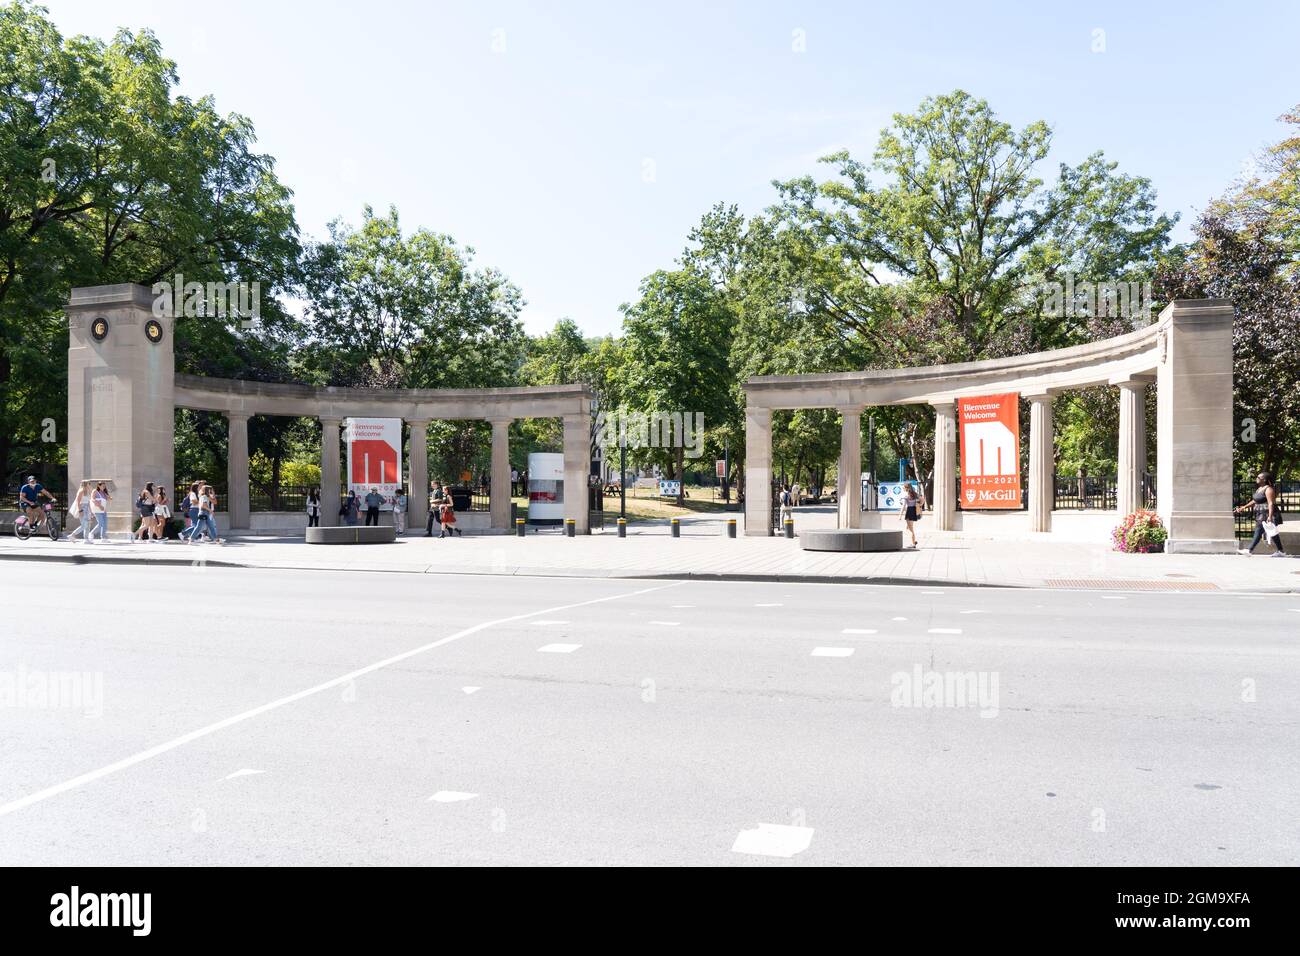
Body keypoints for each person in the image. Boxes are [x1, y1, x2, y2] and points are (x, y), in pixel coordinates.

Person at [1236, 471, 1287, 557]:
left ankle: (1249, 550)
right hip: (1261, 512)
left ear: (1264, 479)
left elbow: (1271, 503)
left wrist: (1270, 516)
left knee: (1259, 530)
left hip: (1267, 513)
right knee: (1272, 531)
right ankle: (1281, 551)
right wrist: (1244, 507)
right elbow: (1255, 501)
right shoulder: (1259, 489)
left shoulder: (1268, 489)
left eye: (1258, 477)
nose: (1257, 478)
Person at [901, 481, 923, 548]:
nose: (903, 489)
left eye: (903, 488)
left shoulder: (907, 496)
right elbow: (922, 499)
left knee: (910, 529)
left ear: (906, 488)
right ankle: (914, 541)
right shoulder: (915, 494)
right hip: (914, 511)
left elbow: (903, 506)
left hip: (909, 511)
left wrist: (900, 515)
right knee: (909, 527)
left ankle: (913, 544)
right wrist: (920, 505)